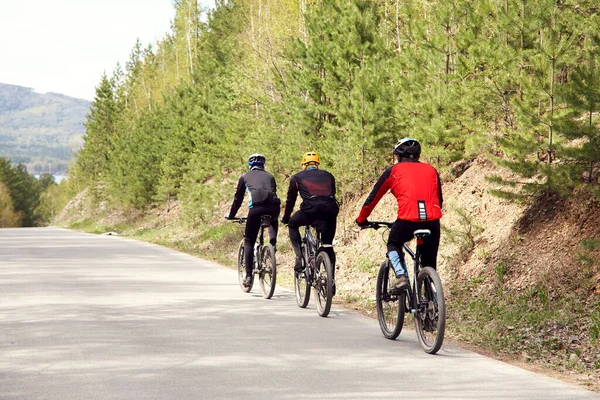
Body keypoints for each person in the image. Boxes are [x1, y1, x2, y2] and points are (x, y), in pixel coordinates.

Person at [355, 138, 443, 291]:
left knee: (393, 243)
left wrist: (362, 219)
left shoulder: (393, 171)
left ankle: (401, 276)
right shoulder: (432, 170)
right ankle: (432, 304)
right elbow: (439, 199)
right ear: (418, 156)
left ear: (398, 157)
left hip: (407, 221)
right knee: (429, 264)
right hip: (432, 221)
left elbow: (373, 198)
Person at [281, 152, 339, 291]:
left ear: (304, 165)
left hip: (309, 210)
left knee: (293, 224)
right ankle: (331, 280)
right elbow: (331, 193)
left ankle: (300, 257)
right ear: (318, 163)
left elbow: (291, 200)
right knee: (328, 245)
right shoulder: (329, 175)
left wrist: (286, 217)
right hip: (330, 210)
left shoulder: (297, 177)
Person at [226, 154, 281, 287]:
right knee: (273, 219)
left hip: (256, 209)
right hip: (274, 208)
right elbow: (273, 193)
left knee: (249, 241)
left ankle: (249, 276)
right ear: (263, 165)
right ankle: (272, 244)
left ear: (249, 165)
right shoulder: (270, 176)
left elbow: (238, 199)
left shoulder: (244, 177)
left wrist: (232, 215)